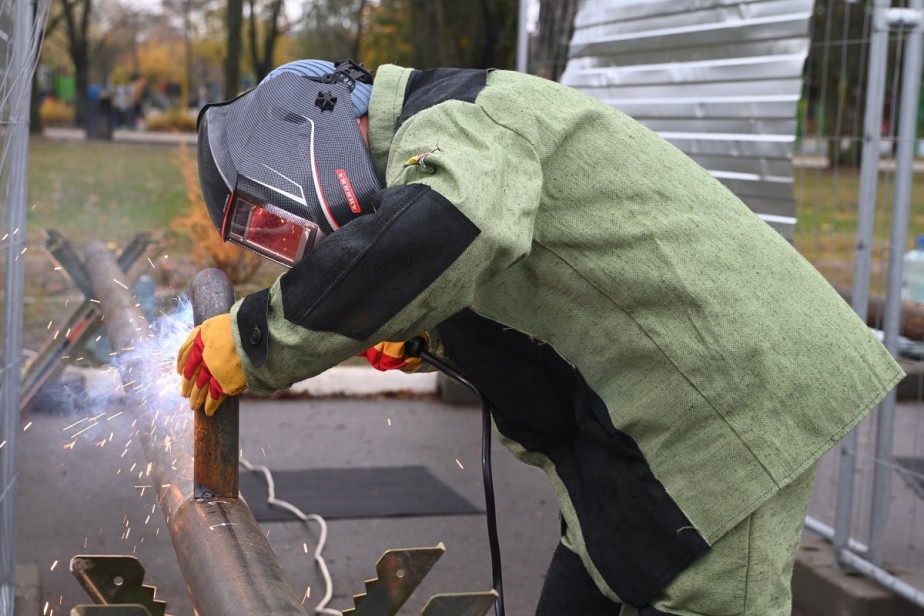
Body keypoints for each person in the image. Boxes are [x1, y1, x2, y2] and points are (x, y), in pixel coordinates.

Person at [177, 58, 904, 615]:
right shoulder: (443, 140)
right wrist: (421, 321)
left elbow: (454, 225)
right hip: (645, 433)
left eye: (273, 219)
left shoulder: (462, 118)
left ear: (306, 136)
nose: (290, 240)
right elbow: (515, 267)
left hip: (725, 413)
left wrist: (255, 339)